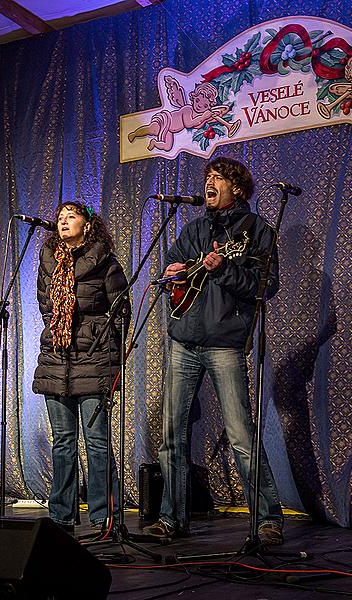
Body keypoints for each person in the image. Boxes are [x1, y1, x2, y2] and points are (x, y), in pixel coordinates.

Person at [144, 157, 285, 545]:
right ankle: (172, 519)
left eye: (218, 177)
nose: (210, 182)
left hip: (225, 342)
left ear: (236, 188)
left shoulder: (255, 231)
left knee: (241, 434)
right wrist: (173, 275)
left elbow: (265, 286)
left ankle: (268, 520)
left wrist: (223, 268)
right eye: (208, 177)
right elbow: (173, 275)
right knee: (172, 435)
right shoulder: (193, 228)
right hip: (183, 341)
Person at [32, 201, 129, 532]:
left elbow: (121, 311)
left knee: (97, 441)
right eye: (59, 217)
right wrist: (59, 330)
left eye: (70, 216)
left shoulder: (105, 262)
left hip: (95, 359)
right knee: (63, 442)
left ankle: (104, 517)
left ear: (88, 224)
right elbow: (45, 306)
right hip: (57, 358)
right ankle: (62, 516)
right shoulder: (48, 262)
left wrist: (102, 347)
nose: (62, 221)